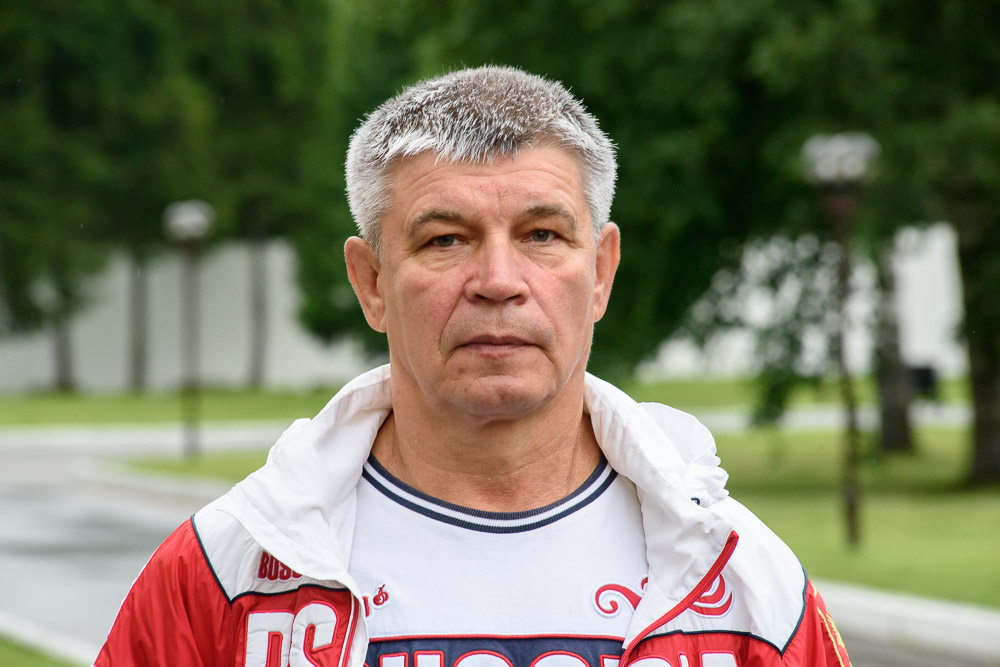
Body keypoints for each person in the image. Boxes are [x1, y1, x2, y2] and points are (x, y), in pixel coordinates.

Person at [95, 66, 851, 667]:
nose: (497, 279)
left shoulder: (739, 579)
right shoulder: (228, 571)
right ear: (370, 282)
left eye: (542, 234)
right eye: (445, 240)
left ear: (600, 272)